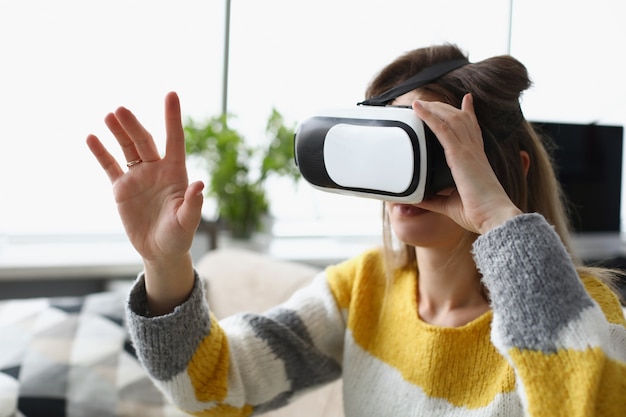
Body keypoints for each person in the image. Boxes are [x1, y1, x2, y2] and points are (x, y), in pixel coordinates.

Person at [87, 44, 626, 416]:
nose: (406, 179)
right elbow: (209, 389)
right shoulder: (362, 291)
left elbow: (587, 405)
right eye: (392, 142)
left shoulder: (587, 312)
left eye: (435, 148)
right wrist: (165, 262)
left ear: (511, 169)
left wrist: (497, 219)